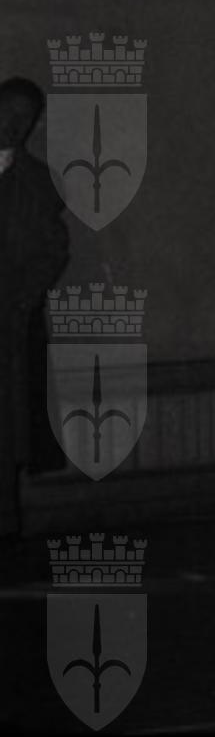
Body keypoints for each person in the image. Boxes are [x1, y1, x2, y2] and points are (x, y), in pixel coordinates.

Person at [0, 79, 69, 543]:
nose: (13, 123)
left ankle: (5, 531)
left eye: (24, 117)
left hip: (11, 324)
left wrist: (23, 299)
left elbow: (53, 249)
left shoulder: (39, 181)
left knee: (8, 433)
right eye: (7, 111)